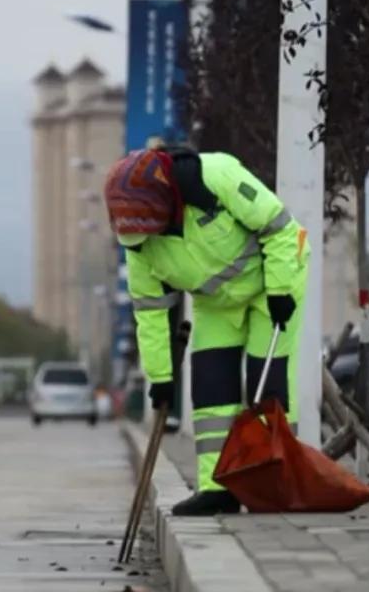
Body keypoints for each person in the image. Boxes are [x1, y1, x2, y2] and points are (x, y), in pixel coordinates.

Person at [104, 146, 309, 516]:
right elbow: (150, 315)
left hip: (270, 287)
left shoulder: (216, 176)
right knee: (211, 390)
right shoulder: (139, 248)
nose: (145, 241)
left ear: (165, 201)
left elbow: (280, 229)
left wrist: (280, 290)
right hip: (215, 304)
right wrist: (161, 377)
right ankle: (218, 488)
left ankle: (272, 484)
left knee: (268, 385)